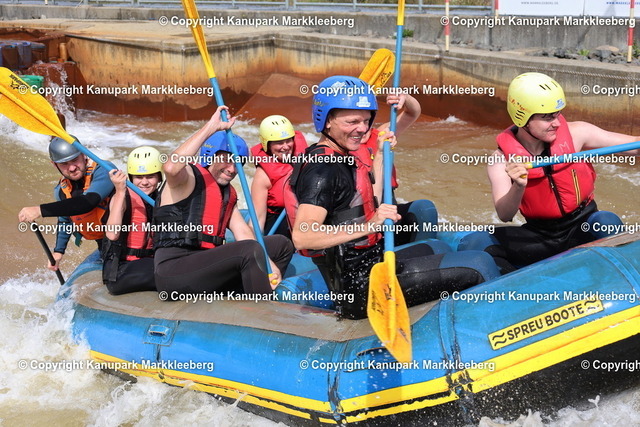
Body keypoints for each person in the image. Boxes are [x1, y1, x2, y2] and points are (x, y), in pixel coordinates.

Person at [286, 75, 499, 319]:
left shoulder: (342, 155)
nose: (362, 129)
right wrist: (370, 225)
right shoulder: (323, 170)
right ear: (326, 121)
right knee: (478, 265)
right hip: (361, 287)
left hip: (373, 263)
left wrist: (379, 155)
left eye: (366, 121)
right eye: (352, 122)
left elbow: (369, 201)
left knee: (437, 246)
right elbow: (303, 236)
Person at [485, 72, 639, 268]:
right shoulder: (500, 159)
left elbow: (634, 146)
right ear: (522, 118)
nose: (557, 123)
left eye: (557, 114)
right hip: (540, 236)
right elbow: (505, 214)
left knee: (606, 221)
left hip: (583, 226)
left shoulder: (578, 133)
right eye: (547, 117)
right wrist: (518, 186)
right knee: (483, 243)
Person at [153, 106, 294, 298]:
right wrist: (211, 128)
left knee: (280, 244)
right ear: (209, 156)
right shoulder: (188, 178)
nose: (232, 169)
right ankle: (261, 309)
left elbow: (243, 233)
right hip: (174, 269)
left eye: (238, 162)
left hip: (205, 265)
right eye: (227, 160)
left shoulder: (227, 193)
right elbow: (170, 167)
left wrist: (269, 265)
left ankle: (248, 292)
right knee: (250, 250)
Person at [18, 137, 114, 272]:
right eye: (64, 164)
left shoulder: (104, 170)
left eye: (75, 160)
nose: (72, 168)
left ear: (84, 155)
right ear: (54, 165)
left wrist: (40, 210)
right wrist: (58, 251)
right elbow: (65, 220)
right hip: (105, 246)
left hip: (131, 239)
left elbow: (88, 202)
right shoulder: (61, 190)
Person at [101, 146, 162, 295]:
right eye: (139, 177)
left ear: (159, 177)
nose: (144, 182)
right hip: (121, 272)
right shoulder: (121, 197)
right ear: (131, 178)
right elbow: (112, 234)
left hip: (147, 263)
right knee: (169, 270)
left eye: (150, 176)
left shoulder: (161, 198)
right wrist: (120, 190)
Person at [250, 115, 307, 237]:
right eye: (279, 142)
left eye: (288, 140)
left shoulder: (305, 159)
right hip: (278, 228)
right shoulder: (262, 176)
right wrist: (253, 243)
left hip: (305, 220)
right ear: (267, 145)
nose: (286, 147)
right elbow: (257, 219)